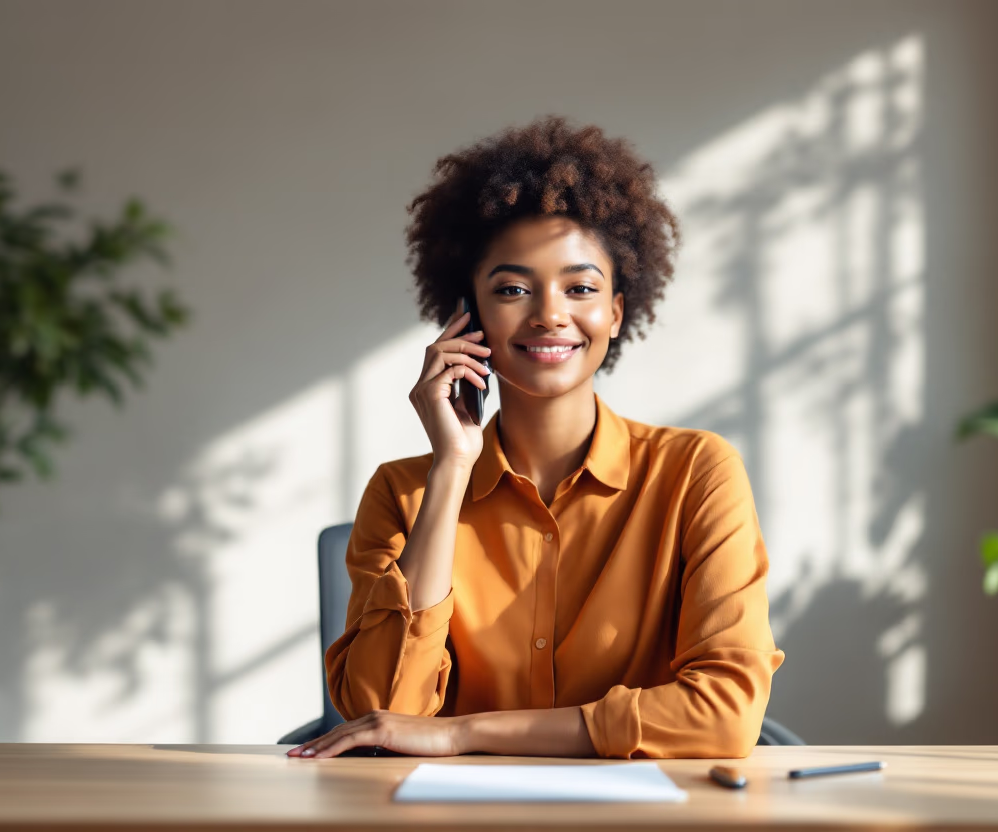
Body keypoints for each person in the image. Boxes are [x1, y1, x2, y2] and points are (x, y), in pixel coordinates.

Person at [288, 116, 784, 760]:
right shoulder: (403, 491)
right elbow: (384, 716)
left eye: (580, 288)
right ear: (466, 316)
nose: (551, 313)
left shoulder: (696, 473)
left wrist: (465, 732)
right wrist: (450, 472)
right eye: (514, 289)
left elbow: (725, 714)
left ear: (615, 311)